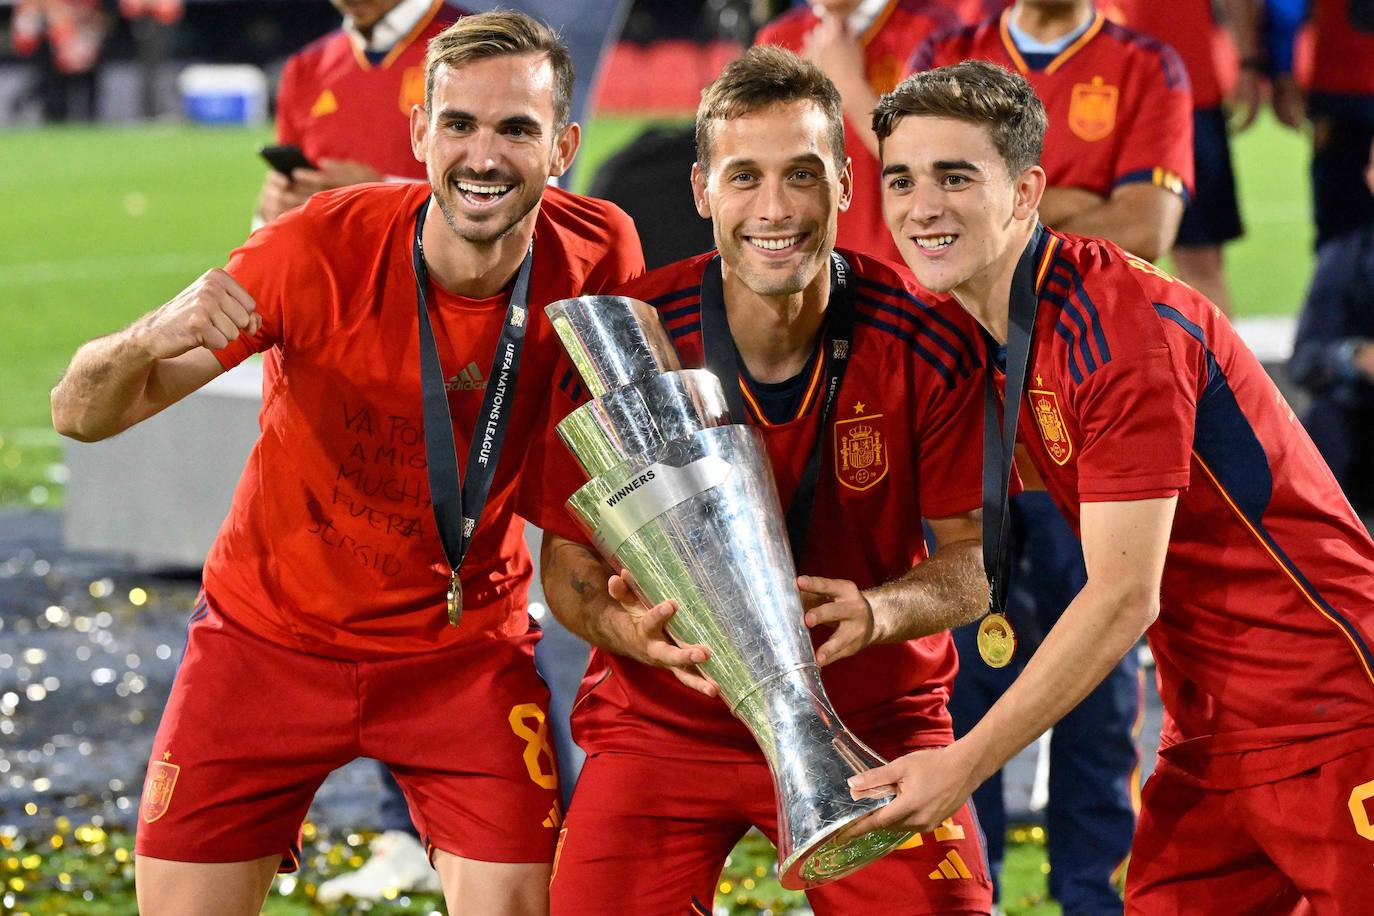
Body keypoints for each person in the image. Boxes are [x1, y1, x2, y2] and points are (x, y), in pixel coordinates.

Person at [50, 11, 643, 915]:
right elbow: (80, 414)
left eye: (516, 129)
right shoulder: (315, 246)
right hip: (266, 642)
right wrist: (146, 335)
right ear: (419, 134)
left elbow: (609, 472)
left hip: (461, 654)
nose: (484, 155)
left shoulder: (599, 252)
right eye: (460, 125)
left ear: (563, 144)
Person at [850, 59, 1374, 912]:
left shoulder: (1118, 328)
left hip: (1331, 714)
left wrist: (965, 764)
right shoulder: (986, 329)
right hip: (1210, 730)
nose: (921, 207)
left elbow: (1125, 598)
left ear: (1025, 193)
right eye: (901, 180)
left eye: (955, 177)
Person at [527, 46, 994, 915]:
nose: (774, 210)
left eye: (802, 175)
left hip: (874, 723)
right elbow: (567, 566)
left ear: (846, 185)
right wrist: (630, 631)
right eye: (744, 178)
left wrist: (881, 610)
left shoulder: (927, 340)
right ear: (703, 190)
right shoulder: (630, 343)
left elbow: (978, 559)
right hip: (667, 727)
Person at [908, 5, 1193, 909]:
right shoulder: (946, 52)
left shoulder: (1146, 64)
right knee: (962, 672)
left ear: (1020, 187)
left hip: (1089, 407)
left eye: (996, 180)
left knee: (1102, 685)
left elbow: (1144, 228)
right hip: (962, 411)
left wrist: (999, 208)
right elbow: (926, 215)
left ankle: (1090, 899)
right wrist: (1062, 200)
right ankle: (971, 896)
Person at [756, 0, 1001, 265]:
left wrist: (850, 88)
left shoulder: (937, 33)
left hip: (910, 279)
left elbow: (945, 166)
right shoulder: (777, 39)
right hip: (811, 276)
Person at [1102, 0, 1262, 313]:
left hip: (1186, 92)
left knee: (1200, 258)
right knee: (1094, 258)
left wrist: (1248, 62)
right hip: (1099, 95)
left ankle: (1217, 361)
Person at [255, 0, 466, 226]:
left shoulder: (478, 47)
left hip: (426, 259)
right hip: (331, 258)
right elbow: (283, 202)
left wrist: (378, 193)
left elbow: (497, 193)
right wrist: (269, 210)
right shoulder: (305, 67)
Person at [1289, 138, 1374, 523]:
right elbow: (1304, 362)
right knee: (1322, 424)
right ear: (1370, 178)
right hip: (1361, 422)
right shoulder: (1343, 259)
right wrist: (1356, 358)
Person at [1266, 0, 1374, 248]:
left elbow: (1286, 10)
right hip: (1343, 91)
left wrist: (1282, 69)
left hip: (1343, 88)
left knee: (1339, 230)